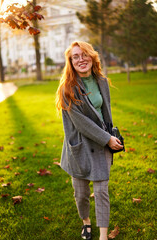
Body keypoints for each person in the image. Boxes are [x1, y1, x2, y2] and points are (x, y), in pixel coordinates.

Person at [56, 41, 123, 240]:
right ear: (70, 62)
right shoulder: (67, 89)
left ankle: (103, 236)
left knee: (102, 190)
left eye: (84, 54)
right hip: (81, 146)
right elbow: (81, 123)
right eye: (75, 57)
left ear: (92, 56)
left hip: (102, 142)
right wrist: (107, 139)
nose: (81, 59)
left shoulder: (101, 81)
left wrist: (112, 134)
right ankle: (86, 221)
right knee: (81, 193)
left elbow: (105, 112)